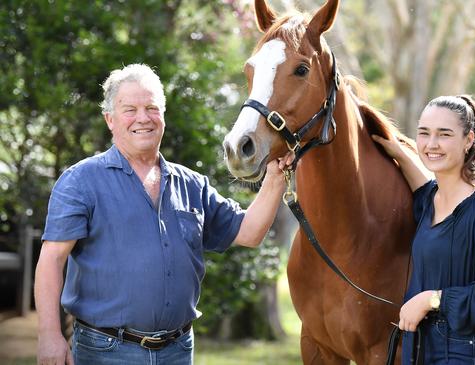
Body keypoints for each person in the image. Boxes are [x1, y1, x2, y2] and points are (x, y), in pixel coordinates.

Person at [34, 64, 293, 365]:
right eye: (130, 109)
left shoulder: (192, 185)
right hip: (105, 352)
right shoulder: (81, 181)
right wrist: (49, 334)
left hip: (178, 351)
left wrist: (275, 177)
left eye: (152, 108)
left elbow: (249, 232)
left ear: (163, 116)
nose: (143, 118)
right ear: (110, 119)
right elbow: (51, 261)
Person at [372, 95, 475, 364]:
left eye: (444, 134)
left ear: (469, 140)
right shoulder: (431, 199)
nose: (431, 144)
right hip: (419, 351)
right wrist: (398, 153)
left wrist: (431, 300)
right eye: (424, 133)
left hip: (464, 352)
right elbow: (422, 185)